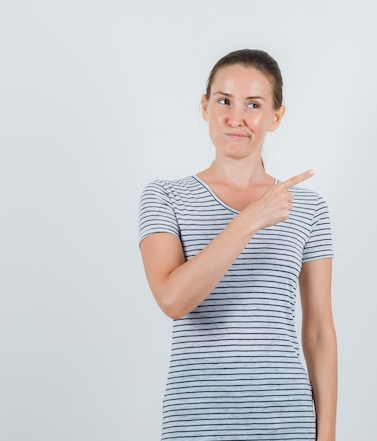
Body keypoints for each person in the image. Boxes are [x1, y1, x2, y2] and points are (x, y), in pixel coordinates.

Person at [138, 49, 337, 441]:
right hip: (196, 424)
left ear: (275, 117)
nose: (235, 118)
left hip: (287, 422)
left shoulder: (309, 208)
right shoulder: (164, 197)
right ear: (205, 106)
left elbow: (318, 331)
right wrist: (249, 220)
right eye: (224, 100)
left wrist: (327, 436)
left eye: (254, 105)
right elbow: (173, 300)